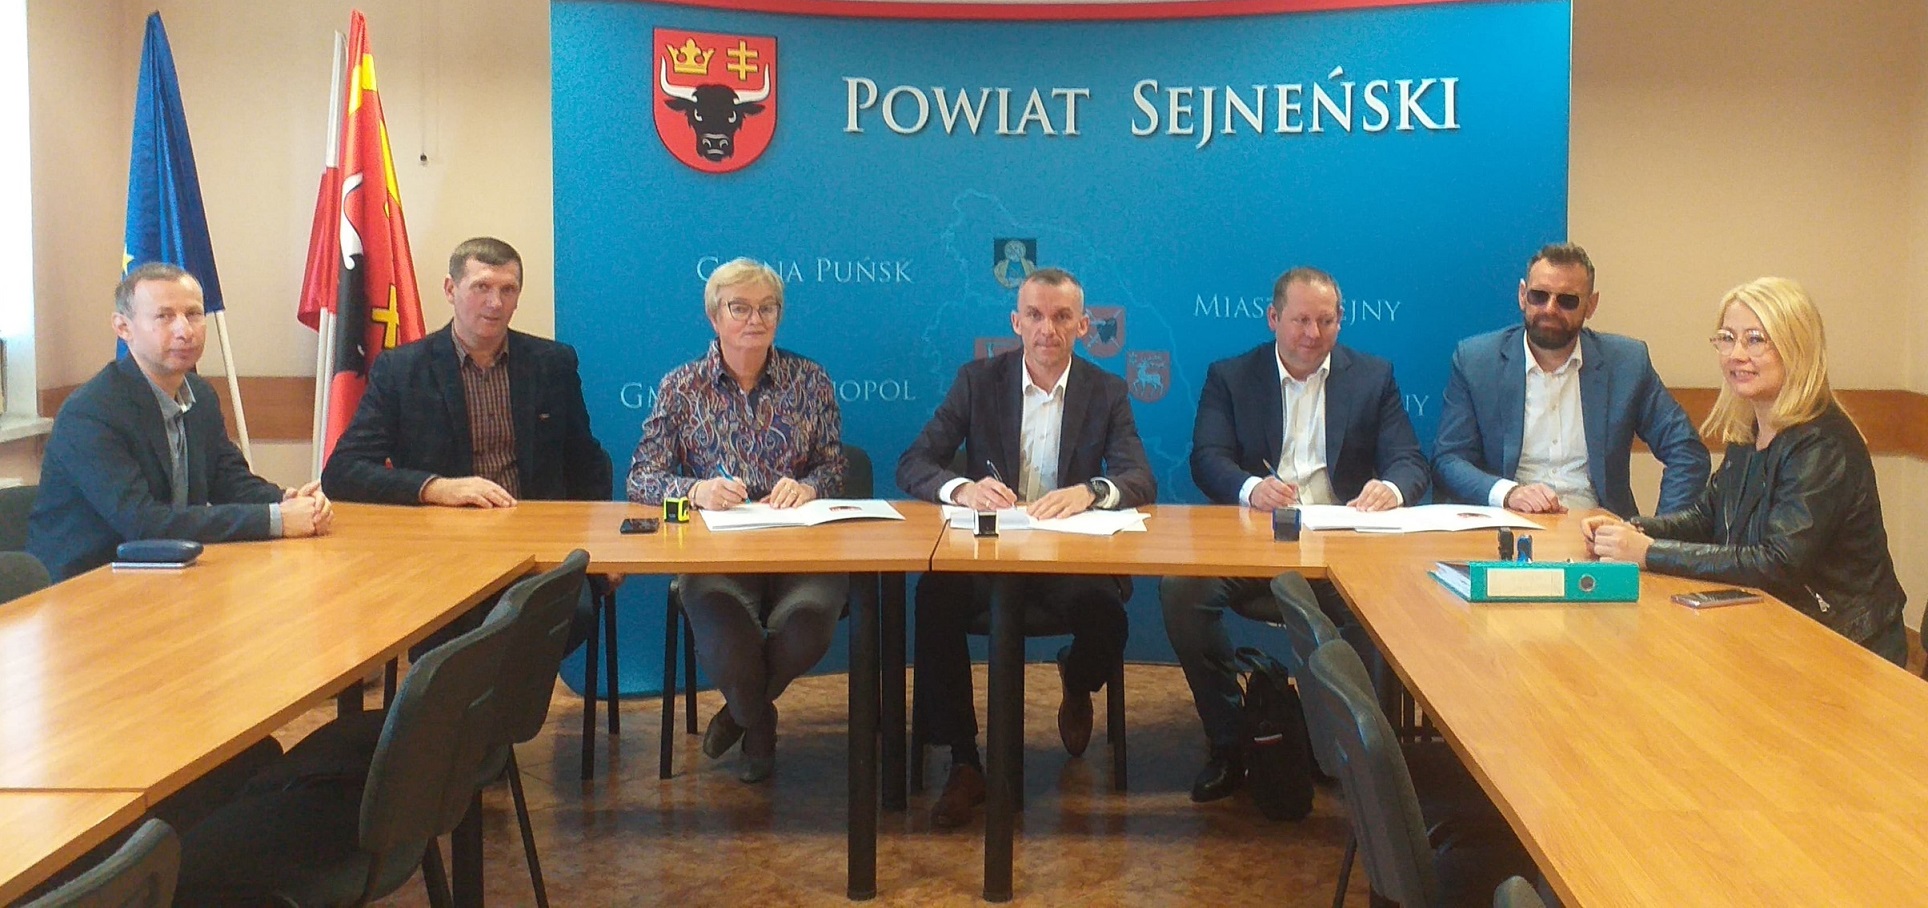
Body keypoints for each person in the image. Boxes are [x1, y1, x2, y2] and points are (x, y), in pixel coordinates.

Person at [897, 267, 1156, 829]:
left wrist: (1091, 491)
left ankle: (1076, 680)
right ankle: (964, 761)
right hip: (990, 557)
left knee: (1107, 615)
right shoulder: (978, 381)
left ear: (1083, 326)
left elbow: (1139, 477)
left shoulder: (1106, 391)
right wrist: (961, 488)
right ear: (1016, 323)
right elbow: (914, 462)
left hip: (1068, 560)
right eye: (1035, 316)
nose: (1047, 329)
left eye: (1062, 317)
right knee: (934, 598)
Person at [1161, 266, 1429, 803]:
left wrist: (1390, 488)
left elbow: (1409, 461)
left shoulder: (1373, 377)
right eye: (1301, 320)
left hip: (1341, 544)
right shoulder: (1231, 376)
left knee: (1378, 606)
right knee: (1182, 592)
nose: (1313, 334)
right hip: (1255, 540)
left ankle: (1345, 748)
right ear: (1273, 318)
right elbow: (1207, 459)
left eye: (1326, 321)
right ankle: (1229, 739)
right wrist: (1250, 487)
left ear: (1340, 321)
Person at [1585, 277, 1907, 665]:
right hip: (1772, 628)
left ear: (1796, 347)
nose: (1736, 354)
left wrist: (1649, 553)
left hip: (1843, 645)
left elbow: (1777, 561)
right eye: (1727, 338)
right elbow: (1706, 517)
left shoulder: (1823, 443)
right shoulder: (1749, 429)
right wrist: (1630, 530)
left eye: (1755, 340)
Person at [627, 257, 847, 783]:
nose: (755, 319)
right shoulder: (682, 386)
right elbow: (641, 477)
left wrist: (811, 486)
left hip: (799, 548)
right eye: (740, 308)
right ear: (715, 316)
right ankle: (759, 722)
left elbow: (836, 466)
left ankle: (739, 712)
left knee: (809, 624)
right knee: (724, 633)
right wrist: (696, 490)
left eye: (767, 308)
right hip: (717, 551)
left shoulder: (810, 380)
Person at [29, 263, 333, 581]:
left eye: (193, 314)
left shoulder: (200, 395)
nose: (185, 330)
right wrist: (276, 519)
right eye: (164, 316)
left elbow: (230, 481)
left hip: (169, 576)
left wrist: (289, 501)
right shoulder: (91, 413)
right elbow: (144, 523)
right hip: (87, 584)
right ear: (123, 328)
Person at [322, 236, 610, 506]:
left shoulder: (552, 364)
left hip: (533, 527)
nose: (495, 303)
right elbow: (342, 471)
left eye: (508, 290)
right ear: (451, 289)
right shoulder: (401, 370)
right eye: (481, 287)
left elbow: (587, 463)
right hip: (444, 530)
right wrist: (435, 488)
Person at [1433, 243, 1710, 518]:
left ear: (1591, 305)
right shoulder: (1477, 362)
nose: (1550, 309)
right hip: (1507, 524)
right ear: (1522, 295)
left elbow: (1687, 452)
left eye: (1567, 300)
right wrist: (1507, 493)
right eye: (1539, 296)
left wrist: (1659, 532)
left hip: (1598, 528)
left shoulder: (1626, 363)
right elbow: (1449, 459)